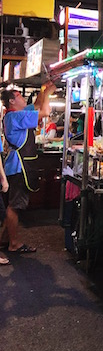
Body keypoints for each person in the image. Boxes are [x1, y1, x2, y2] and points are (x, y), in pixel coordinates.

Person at [0, 82, 56, 254]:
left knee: (13, 204)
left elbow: (38, 105)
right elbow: (45, 111)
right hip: (18, 167)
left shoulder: (16, 114)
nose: (24, 99)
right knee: (15, 206)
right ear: (11, 101)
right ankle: (14, 244)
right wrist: (48, 94)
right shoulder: (15, 117)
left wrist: (43, 90)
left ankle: (4, 239)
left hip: (16, 166)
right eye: (20, 96)